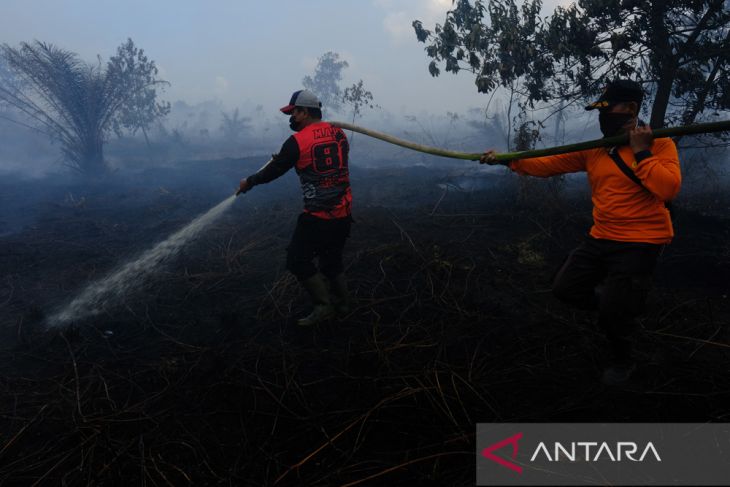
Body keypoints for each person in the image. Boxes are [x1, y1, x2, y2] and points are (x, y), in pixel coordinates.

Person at [481, 79, 681, 385]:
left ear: (630, 109)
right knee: (566, 288)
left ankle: (622, 359)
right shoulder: (597, 150)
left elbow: (668, 187)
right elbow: (550, 163)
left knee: (613, 314)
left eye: (607, 109)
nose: (602, 117)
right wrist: (509, 161)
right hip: (601, 237)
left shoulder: (660, 144)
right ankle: (617, 305)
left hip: (641, 242)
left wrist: (642, 153)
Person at [237, 89, 353, 326]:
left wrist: (250, 181)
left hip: (318, 216)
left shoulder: (297, 141)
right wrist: (288, 158)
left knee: (297, 260)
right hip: (343, 213)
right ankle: (344, 304)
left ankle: (324, 306)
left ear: (305, 111)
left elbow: (274, 170)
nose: (291, 118)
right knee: (332, 260)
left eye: (294, 113)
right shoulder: (339, 134)